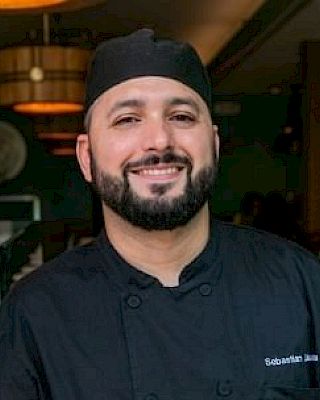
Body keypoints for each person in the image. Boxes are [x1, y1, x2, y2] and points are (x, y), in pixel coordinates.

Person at [1, 29, 320, 400]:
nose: (160, 140)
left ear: (213, 146)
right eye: (127, 120)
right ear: (87, 157)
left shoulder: (302, 282)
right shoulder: (33, 313)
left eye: (182, 116)